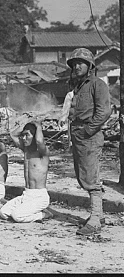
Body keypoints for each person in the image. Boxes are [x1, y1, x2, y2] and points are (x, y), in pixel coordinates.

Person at [66, 48, 111, 236]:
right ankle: (97, 215)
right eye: (74, 63)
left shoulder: (97, 85)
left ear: (90, 66)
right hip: (78, 136)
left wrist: (87, 131)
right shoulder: (78, 86)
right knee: (83, 176)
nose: (77, 66)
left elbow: (104, 112)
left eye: (81, 63)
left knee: (91, 178)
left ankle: (95, 219)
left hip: (89, 136)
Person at [0, 121, 53, 222]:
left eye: (27, 135)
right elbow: (13, 134)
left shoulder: (43, 153)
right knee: (3, 212)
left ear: (35, 136)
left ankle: (44, 214)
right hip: (26, 194)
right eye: (23, 135)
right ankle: (31, 211)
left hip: (39, 197)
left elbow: (39, 142)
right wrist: (25, 125)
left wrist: (38, 126)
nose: (23, 138)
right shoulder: (26, 151)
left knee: (17, 216)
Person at [58, 78, 77, 152]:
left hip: (74, 120)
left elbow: (66, 109)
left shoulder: (70, 95)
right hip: (78, 120)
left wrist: (62, 119)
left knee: (72, 137)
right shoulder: (73, 95)